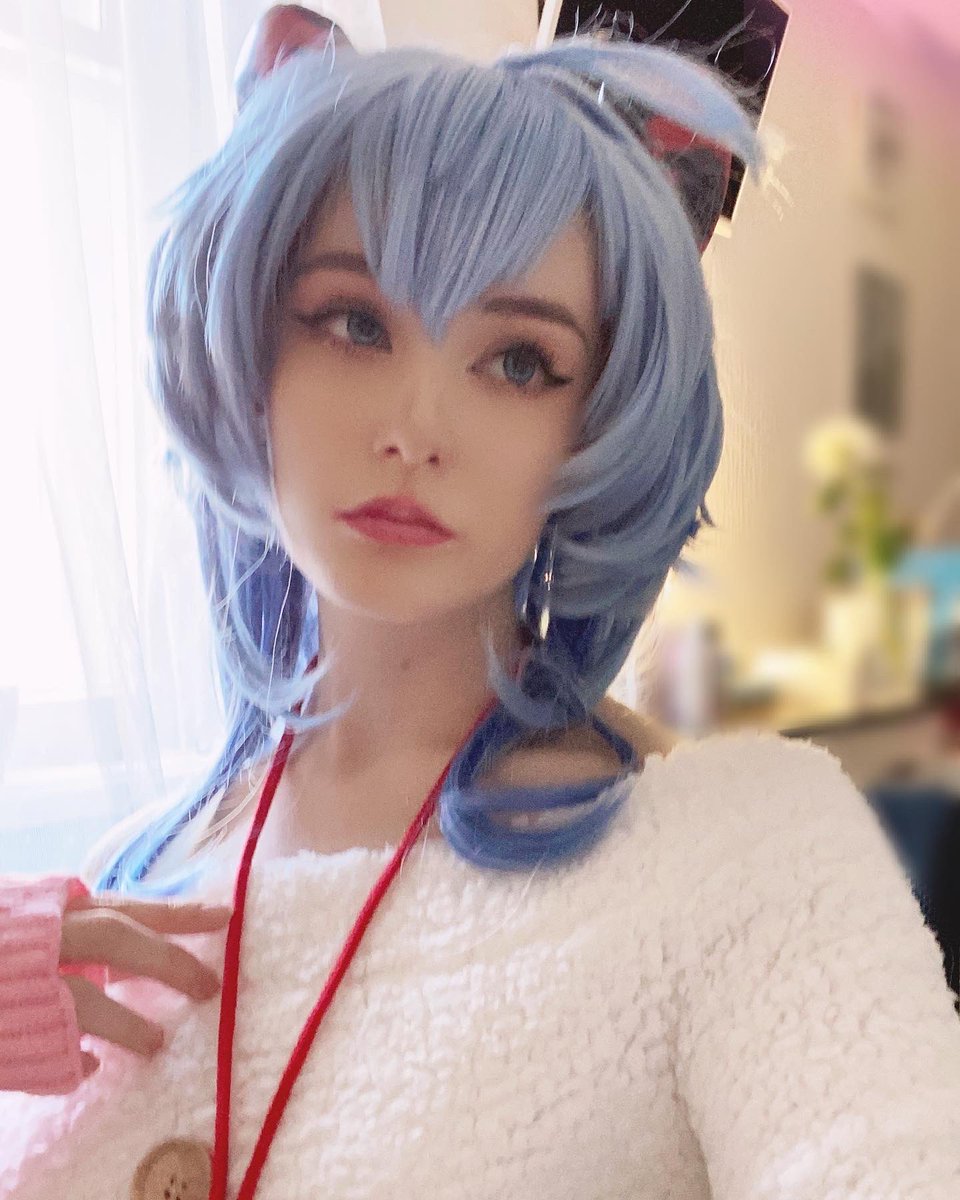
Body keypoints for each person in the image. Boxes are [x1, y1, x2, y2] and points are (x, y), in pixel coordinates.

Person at [2, 9, 960, 1198]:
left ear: (597, 425)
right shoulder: (117, 888)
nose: (416, 428)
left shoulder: (743, 856)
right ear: (251, 351)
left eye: (517, 363)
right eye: (355, 323)